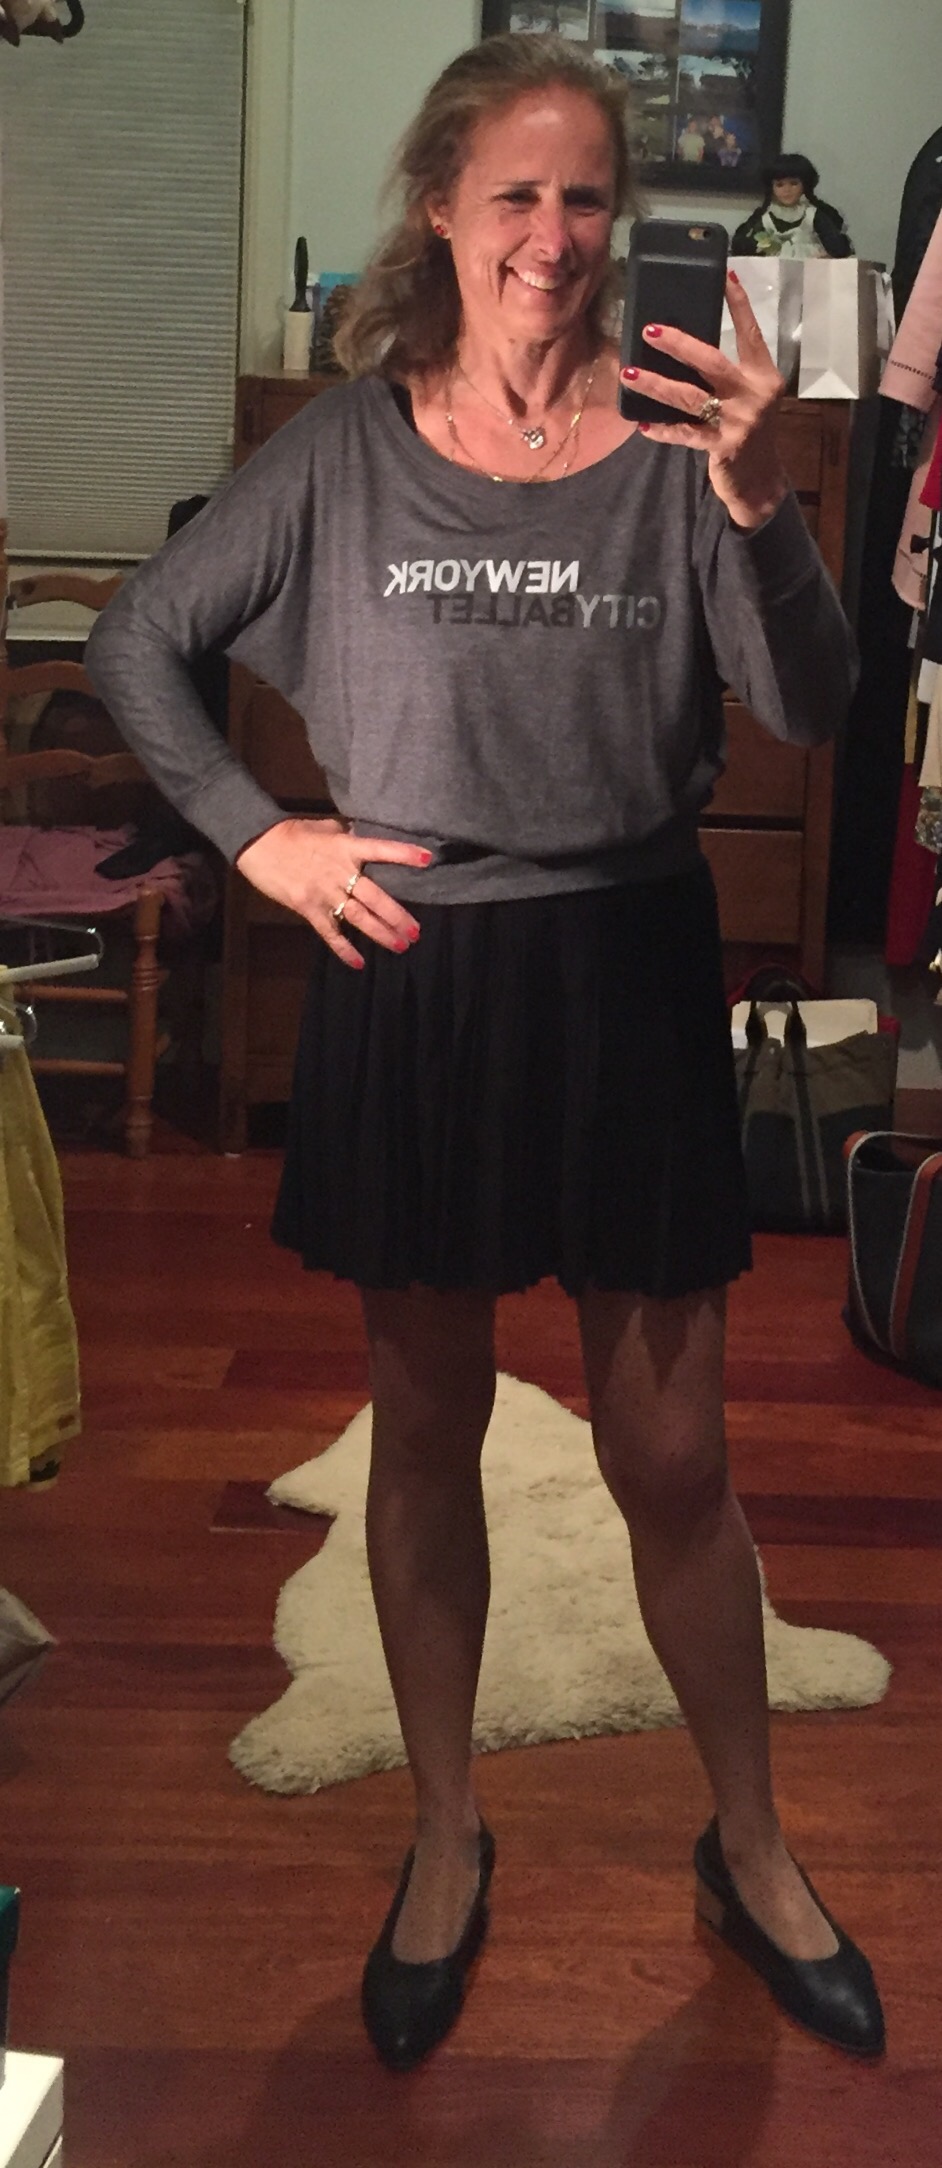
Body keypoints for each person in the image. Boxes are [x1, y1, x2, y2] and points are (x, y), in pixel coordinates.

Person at [85, 31, 885, 2074]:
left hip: (626, 959)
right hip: (418, 975)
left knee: (674, 1455)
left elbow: (809, 708)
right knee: (424, 1426)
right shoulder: (344, 451)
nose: (553, 232)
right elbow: (138, 637)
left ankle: (754, 1844)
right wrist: (260, 834)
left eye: (586, 195)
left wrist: (762, 505)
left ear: (623, 221)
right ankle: (446, 1835)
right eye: (514, 193)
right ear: (440, 210)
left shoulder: (685, 441)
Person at [731, 152, 855, 260]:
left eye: (794, 183)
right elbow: (741, 246)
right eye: (780, 185)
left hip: (811, 270)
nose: (787, 190)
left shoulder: (812, 215)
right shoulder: (765, 218)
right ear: (771, 188)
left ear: (805, 185)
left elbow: (838, 248)